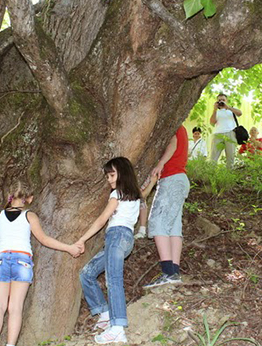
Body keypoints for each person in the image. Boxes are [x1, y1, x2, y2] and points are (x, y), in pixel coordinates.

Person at [0, 184, 81, 346]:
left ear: (10, 197)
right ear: (28, 198)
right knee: (15, 307)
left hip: (1, 259)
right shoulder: (29, 216)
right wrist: (69, 247)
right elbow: (44, 240)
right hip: (21, 260)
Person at [76, 157, 153, 344]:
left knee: (114, 280)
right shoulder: (134, 195)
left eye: (112, 175)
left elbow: (102, 219)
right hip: (125, 241)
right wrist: (153, 181)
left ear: (122, 173)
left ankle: (117, 328)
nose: (109, 179)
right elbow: (145, 193)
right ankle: (104, 313)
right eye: (107, 176)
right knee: (87, 273)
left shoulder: (117, 194)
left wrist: (82, 239)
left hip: (117, 237)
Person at [143, 126, 190, 288]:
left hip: (172, 180)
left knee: (157, 223)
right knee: (174, 227)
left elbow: (173, 143)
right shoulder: (183, 129)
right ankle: (174, 272)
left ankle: (168, 272)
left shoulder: (174, 126)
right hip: (180, 179)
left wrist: (161, 163)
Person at [209, 93, 242, 169]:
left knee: (230, 157)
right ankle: (210, 175)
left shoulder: (231, 110)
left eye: (223, 100)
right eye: (219, 100)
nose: (221, 101)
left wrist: (228, 107)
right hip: (217, 134)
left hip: (230, 133)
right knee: (213, 157)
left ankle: (228, 176)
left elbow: (240, 113)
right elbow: (212, 122)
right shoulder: (216, 112)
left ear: (227, 101)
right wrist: (214, 109)